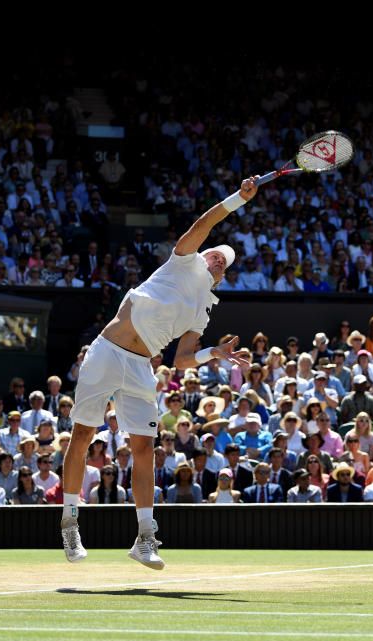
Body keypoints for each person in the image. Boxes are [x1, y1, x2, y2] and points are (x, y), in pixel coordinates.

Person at [60, 176, 258, 568]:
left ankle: (145, 538)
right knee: (82, 434)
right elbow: (204, 223)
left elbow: (181, 360)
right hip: (106, 352)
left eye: (224, 263)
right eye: (215, 255)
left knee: (144, 448)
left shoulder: (203, 309)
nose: (218, 260)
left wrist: (213, 353)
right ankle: (69, 523)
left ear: (222, 277)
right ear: (202, 255)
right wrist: (240, 197)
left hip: (140, 367)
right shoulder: (182, 259)